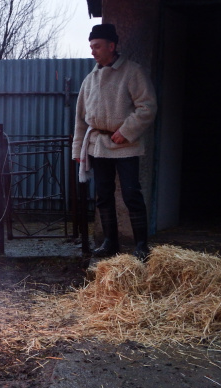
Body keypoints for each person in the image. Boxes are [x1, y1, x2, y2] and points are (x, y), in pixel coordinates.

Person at [72, 24, 157, 261]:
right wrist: (79, 150)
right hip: (98, 145)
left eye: (97, 46)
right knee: (103, 195)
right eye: (91, 47)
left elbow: (147, 107)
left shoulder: (132, 72)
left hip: (125, 145)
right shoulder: (90, 80)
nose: (93, 51)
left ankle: (141, 245)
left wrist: (127, 130)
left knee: (131, 194)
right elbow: (80, 119)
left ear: (112, 46)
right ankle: (111, 242)